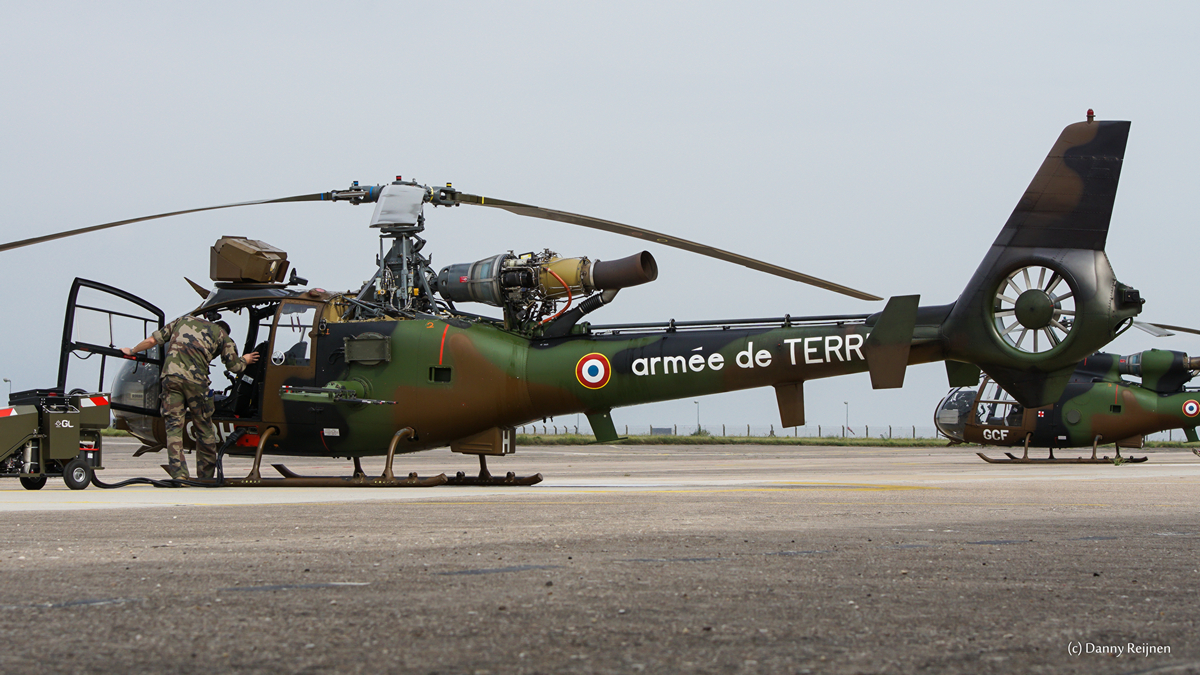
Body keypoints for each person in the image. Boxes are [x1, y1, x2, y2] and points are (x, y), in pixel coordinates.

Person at [123, 314, 260, 479]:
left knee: (173, 428)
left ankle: (179, 475)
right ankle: (206, 476)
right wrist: (245, 359)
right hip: (196, 383)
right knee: (204, 428)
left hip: (171, 379)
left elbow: (152, 341)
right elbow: (235, 367)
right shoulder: (223, 336)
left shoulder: (184, 320)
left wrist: (131, 351)